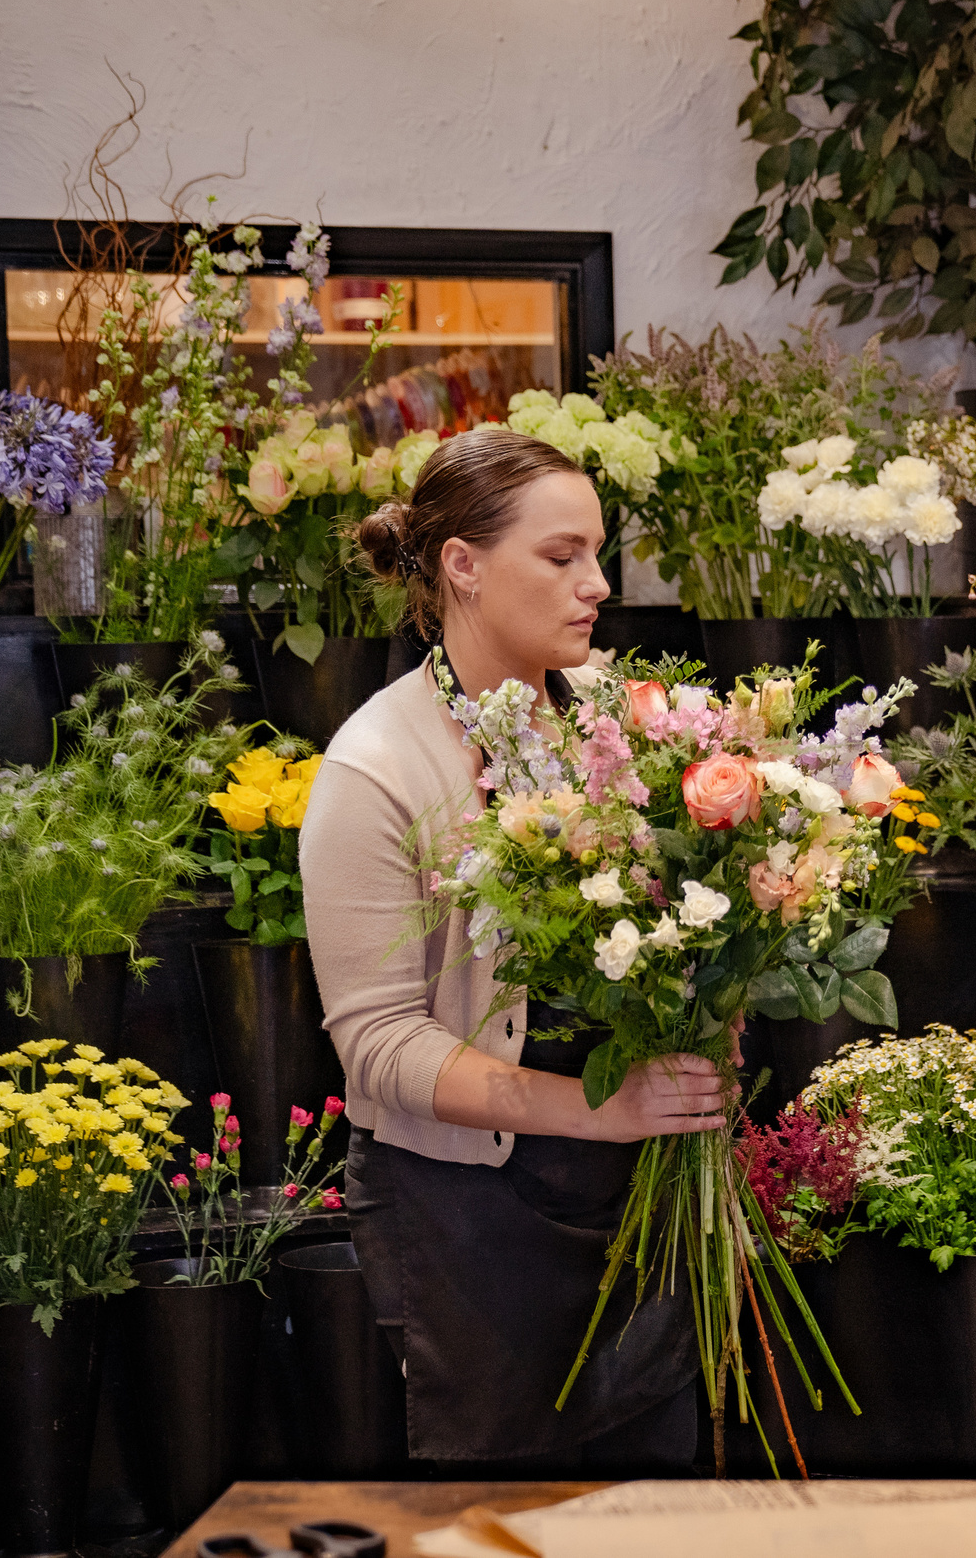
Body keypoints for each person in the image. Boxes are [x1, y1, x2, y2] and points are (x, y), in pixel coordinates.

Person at [301, 428, 730, 1472]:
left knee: (656, 1506)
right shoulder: (375, 765)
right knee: (508, 1517)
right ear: (463, 564)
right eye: (562, 555)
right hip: (467, 1221)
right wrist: (599, 1108)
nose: (598, 584)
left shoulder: (623, 717)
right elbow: (379, 1045)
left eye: (597, 553)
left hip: (637, 1197)